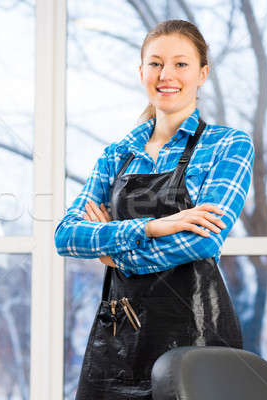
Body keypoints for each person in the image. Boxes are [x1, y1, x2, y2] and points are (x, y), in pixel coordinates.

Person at [54, 19, 254, 400]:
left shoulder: (228, 145)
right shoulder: (116, 155)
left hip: (196, 336)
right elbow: (66, 236)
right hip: (116, 341)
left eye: (181, 64)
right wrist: (153, 227)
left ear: (202, 73)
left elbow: (202, 241)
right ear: (142, 71)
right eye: (156, 63)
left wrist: (113, 255)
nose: (167, 74)